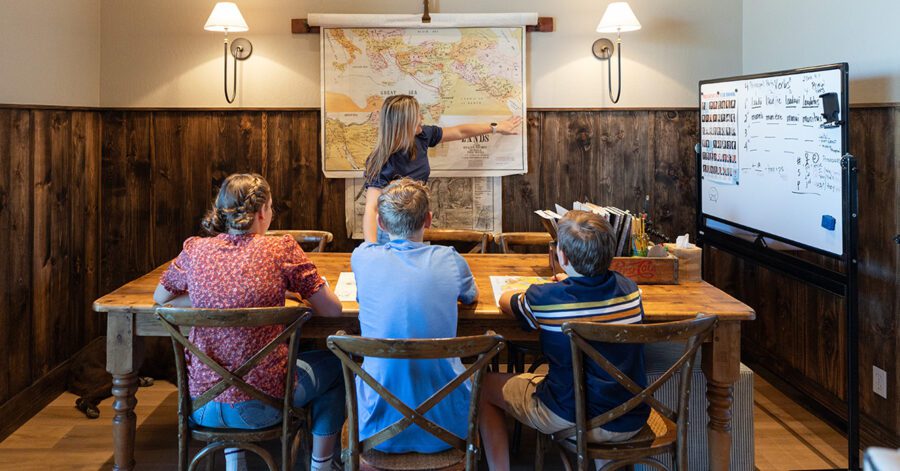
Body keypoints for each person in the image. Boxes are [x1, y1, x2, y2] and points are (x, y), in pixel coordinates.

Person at [152, 173, 345, 471]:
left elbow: (160, 297)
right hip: (262, 408)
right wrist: (293, 293)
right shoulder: (281, 249)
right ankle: (321, 464)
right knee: (338, 365)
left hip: (201, 406)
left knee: (229, 362)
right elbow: (332, 311)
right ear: (263, 211)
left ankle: (235, 464)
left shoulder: (195, 249)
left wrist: (212, 297)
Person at [478, 210, 650, 471]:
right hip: (629, 416)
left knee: (483, 386)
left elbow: (506, 301)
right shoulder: (630, 291)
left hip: (569, 416)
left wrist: (537, 289)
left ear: (563, 256)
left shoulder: (545, 298)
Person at [351, 177, 478, 452]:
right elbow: (471, 296)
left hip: (376, 427)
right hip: (447, 428)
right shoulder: (451, 259)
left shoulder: (362, 258)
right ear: (429, 219)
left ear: (381, 225)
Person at [362, 94, 522, 242]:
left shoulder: (421, 137)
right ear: (405, 122)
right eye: (417, 115)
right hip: (391, 231)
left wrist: (496, 127)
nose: (421, 118)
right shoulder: (382, 160)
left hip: (417, 224)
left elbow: (460, 131)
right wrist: (371, 247)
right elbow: (372, 208)